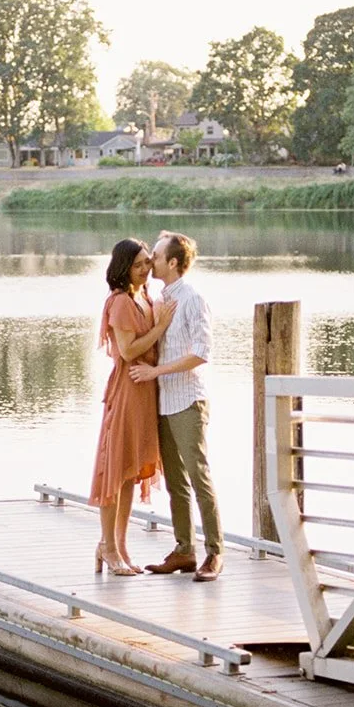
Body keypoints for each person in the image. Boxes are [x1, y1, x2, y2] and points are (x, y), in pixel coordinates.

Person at [129, 230, 225, 581]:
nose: (150, 261)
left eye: (155, 256)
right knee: (175, 482)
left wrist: (156, 371)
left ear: (172, 262)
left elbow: (201, 353)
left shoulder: (193, 299)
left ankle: (214, 553)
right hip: (164, 402)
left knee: (198, 476)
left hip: (187, 400)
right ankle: (185, 550)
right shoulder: (160, 299)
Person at [88, 239, 176, 576]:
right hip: (127, 390)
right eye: (139, 264)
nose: (146, 269)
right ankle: (108, 547)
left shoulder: (146, 297)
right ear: (124, 267)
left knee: (128, 473)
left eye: (147, 263)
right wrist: (160, 327)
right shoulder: (121, 302)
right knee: (115, 471)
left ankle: (118, 546)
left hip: (146, 390)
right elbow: (127, 351)